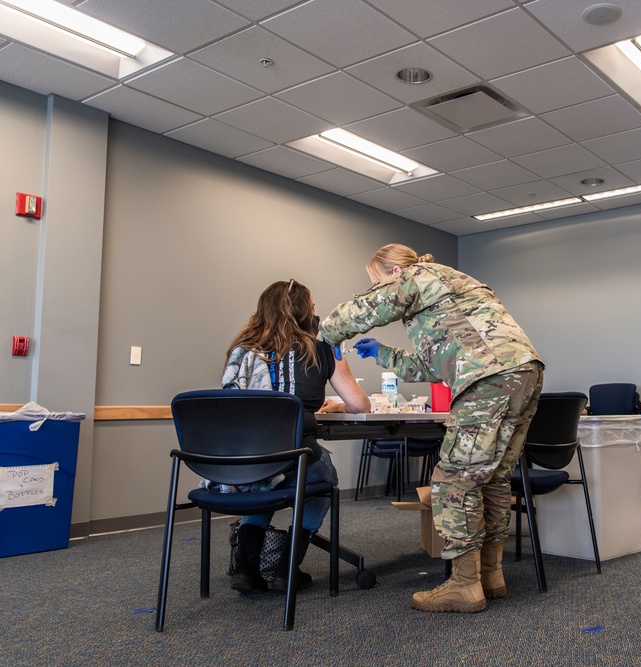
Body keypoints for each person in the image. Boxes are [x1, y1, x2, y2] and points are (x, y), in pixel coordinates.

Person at [319, 244, 544, 613]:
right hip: (521, 372)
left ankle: (464, 586)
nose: (378, 289)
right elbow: (434, 365)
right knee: (490, 478)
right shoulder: (445, 288)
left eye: (377, 281)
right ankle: (490, 575)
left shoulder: (418, 276)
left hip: (488, 379)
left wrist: (324, 331)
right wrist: (381, 353)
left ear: (391, 274)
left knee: (454, 480)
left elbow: (369, 308)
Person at [222, 279, 370, 593]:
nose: (316, 313)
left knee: (266, 479)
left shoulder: (241, 350)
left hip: (243, 461)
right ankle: (285, 570)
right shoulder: (322, 347)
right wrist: (338, 405)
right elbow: (360, 404)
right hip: (296, 456)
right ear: (304, 312)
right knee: (322, 478)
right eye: (313, 308)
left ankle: (246, 569)